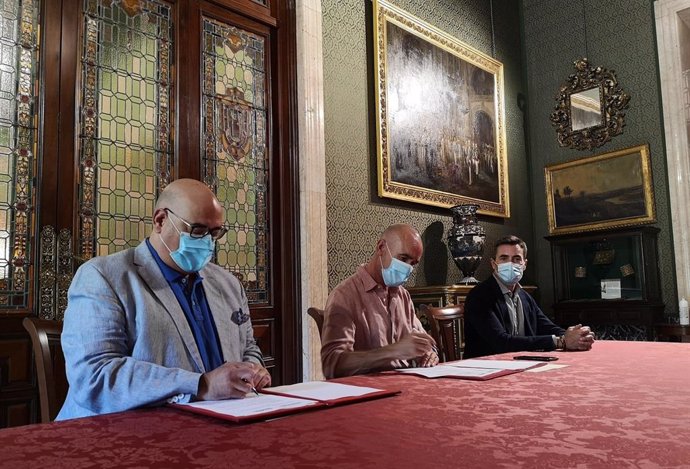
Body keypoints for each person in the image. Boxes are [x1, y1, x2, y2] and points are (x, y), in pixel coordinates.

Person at [57, 179, 270, 420]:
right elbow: (95, 376)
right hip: (121, 430)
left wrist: (253, 369)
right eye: (197, 231)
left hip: (218, 423)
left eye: (215, 233)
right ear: (160, 220)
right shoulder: (104, 277)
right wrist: (200, 385)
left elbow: (248, 346)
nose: (208, 242)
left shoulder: (228, 284)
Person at [321, 224, 438, 379]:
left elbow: (422, 342)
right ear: (381, 247)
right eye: (403, 259)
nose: (407, 268)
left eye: (413, 264)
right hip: (365, 391)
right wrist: (393, 351)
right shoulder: (344, 295)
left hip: (404, 384)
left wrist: (427, 353)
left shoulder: (402, 295)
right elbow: (332, 365)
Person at [464, 235, 595, 358]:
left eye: (516, 259)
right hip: (485, 368)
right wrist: (560, 341)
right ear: (493, 264)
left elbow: (546, 326)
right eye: (504, 258)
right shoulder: (479, 296)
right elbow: (501, 342)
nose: (510, 264)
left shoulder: (524, 296)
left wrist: (576, 336)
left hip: (519, 364)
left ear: (524, 264)